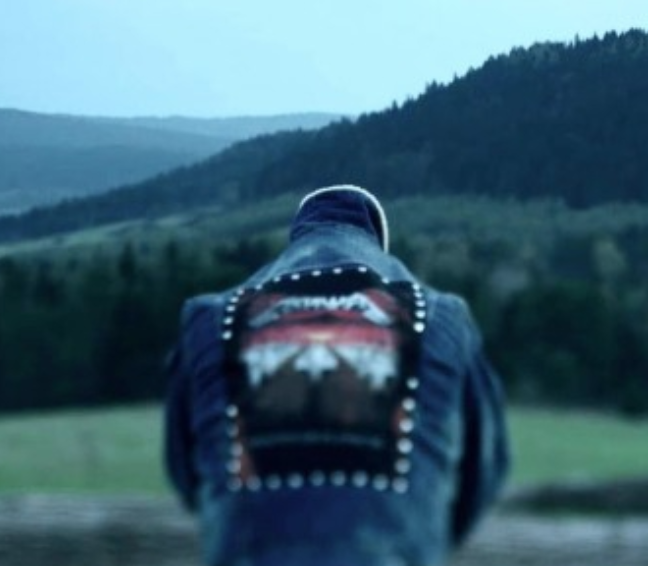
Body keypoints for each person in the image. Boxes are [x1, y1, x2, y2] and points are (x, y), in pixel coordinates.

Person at [164, 185, 509, 566]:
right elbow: (482, 473)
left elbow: (187, 471)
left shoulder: (211, 316)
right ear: (378, 244)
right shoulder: (442, 315)